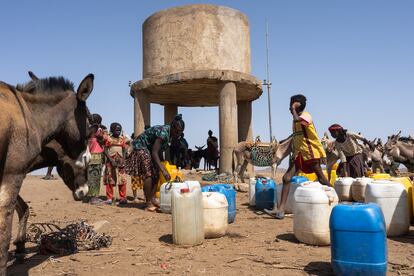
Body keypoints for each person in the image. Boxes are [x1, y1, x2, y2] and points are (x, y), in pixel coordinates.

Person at [264, 94, 330, 219]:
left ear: (297, 105)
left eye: (291, 105)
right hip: (299, 154)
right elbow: (297, 133)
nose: (289, 109)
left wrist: (294, 109)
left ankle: (337, 200)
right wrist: (287, 139)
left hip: (310, 153)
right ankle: (280, 210)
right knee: (287, 178)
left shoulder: (306, 116)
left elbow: (301, 122)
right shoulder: (296, 120)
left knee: (321, 179)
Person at [125, 114, 185, 212]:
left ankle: (153, 199)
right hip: (140, 148)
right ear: (173, 127)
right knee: (149, 174)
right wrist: (163, 170)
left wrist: (161, 167)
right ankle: (148, 202)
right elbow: (154, 151)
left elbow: (160, 152)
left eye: (180, 132)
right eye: (177, 131)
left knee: (156, 173)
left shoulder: (170, 135)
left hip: (149, 150)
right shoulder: (163, 133)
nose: (178, 134)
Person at [103, 122, 128, 205]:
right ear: (112, 130)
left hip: (120, 162)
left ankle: (123, 197)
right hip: (111, 162)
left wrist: (123, 160)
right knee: (110, 180)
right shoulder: (108, 139)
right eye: (117, 130)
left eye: (119, 130)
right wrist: (111, 160)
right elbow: (105, 150)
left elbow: (124, 150)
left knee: (122, 180)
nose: (118, 132)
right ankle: (109, 198)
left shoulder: (122, 139)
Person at [85, 113, 106, 204]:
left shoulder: (87, 130)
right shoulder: (98, 130)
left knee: (92, 177)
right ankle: (94, 198)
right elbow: (102, 140)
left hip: (89, 155)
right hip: (96, 156)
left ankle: (93, 196)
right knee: (95, 178)